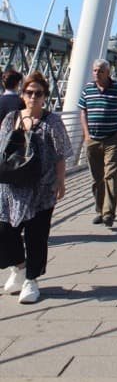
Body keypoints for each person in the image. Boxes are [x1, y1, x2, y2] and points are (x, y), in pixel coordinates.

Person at [0, 70, 72, 304]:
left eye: (38, 93)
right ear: (22, 94)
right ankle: (19, 267)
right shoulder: (11, 119)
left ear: (45, 96)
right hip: (10, 189)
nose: (33, 97)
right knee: (5, 232)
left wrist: (61, 181)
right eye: (29, 92)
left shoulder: (52, 122)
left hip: (41, 190)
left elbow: (61, 154)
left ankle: (32, 280)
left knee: (36, 236)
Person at [78, 59, 117, 228]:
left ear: (108, 72)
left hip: (112, 140)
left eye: (100, 71)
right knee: (97, 178)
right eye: (94, 70)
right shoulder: (87, 90)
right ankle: (99, 210)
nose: (96, 73)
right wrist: (86, 134)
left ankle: (109, 213)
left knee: (110, 175)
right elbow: (83, 112)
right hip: (92, 140)